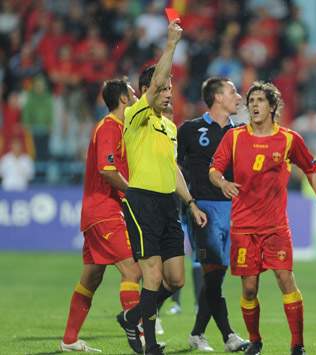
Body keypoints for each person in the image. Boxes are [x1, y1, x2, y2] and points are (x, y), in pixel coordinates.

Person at [209, 81, 316, 355]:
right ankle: (255, 340)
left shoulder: (289, 139)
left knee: (285, 280)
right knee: (250, 289)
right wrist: (222, 183)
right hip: (243, 227)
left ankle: (297, 344)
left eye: (260, 101)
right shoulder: (233, 137)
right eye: (251, 100)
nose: (254, 105)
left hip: (275, 227)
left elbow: (311, 169)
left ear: (272, 106)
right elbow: (214, 170)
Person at [116, 19, 207, 355]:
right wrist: (171, 44)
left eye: (170, 90)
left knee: (176, 279)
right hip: (142, 201)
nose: (168, 94)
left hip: (169, 202)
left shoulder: (169, 126)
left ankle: (132, 316)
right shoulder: (136, 116)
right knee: (152, 277)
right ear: (147, 91)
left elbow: (174, 169)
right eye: (164, 89)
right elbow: (154, 85)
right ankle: (150, 344)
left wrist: (191, 202)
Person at [59, 78, 141, 352]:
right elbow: (107, 170)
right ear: (123, 100)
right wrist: (133, 192)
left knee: (91, 278)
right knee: (133, 270)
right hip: (104, 211)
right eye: (133, 93)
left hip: (101, 211)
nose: (138, 97)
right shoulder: (109, 127)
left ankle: (69, 340)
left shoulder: (120, 128)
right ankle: (139, 336)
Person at [177, 77, 249, 352]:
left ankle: (197, 333)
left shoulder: (241, 132)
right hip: (203, 209)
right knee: (214, 271)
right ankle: (229, 335)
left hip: (234, 211)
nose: (238, 96)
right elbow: (175, 169)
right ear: (217, 97)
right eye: (233, 91)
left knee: (216, 276)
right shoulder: (190, 130)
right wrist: (187, 204)